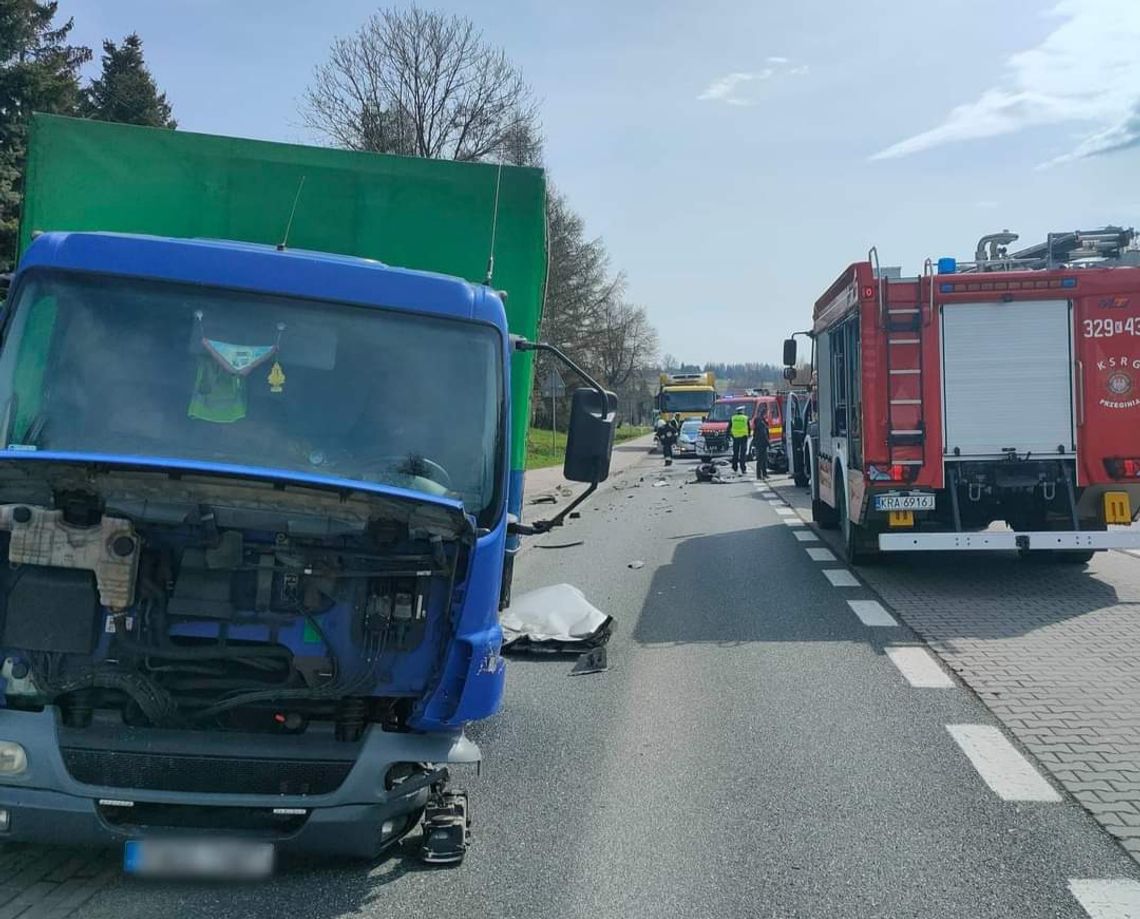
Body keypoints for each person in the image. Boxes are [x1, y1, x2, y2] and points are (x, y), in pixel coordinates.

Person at [728, 405, 750, 474]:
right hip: (743, 438)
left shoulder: (733, 418)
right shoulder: (745, 418)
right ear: (742, 411)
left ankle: (734, 468)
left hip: (735, 437)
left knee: (735, 453)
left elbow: (729, 428)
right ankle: (743, 469)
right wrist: (749, 434)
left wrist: (729, 435)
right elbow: (749, 428)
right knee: (742, 454)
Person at [754, 412, 770, 479]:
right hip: (762, 444)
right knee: (762, 460)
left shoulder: (758, 424)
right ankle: (761, 475)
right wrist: (768, 443)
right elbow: (764, 435)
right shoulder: (762, 424)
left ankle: (763, 474)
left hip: (758, 444)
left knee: (762, 460)